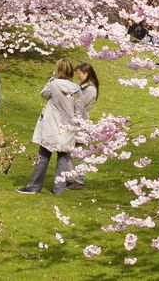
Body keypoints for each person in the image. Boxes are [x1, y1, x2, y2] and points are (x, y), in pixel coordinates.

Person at [17, 58, 80, 195]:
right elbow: (79, 109)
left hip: (52, 126)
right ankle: (59, 189)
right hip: (68, 127)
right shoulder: (76, 88)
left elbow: (44, 94)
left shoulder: (53, 84)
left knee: (44, 156)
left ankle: (34, 187)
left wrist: (52, 79)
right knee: (63, 158)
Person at [66, 62, 100, 190]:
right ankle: (70, 177)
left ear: (86, 73)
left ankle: (79, 180)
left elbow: (80, 104)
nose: (78, 76)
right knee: (69, 150)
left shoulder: (90, 89)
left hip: (82, 123)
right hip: (74, 121)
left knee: (80, 152)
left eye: (79, 73)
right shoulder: (81, 86)